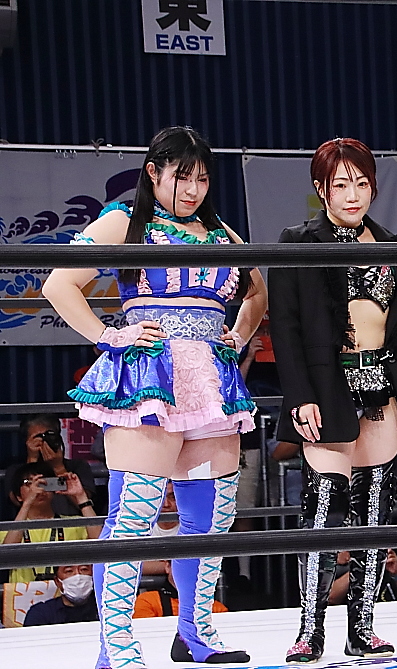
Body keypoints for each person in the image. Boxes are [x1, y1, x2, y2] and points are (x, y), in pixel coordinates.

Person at [42, 126, 267, 666]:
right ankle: (116, 648)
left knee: (211, 518)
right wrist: (109, 335)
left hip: (211, 384)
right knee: (134, 517)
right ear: (153, 172)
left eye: (202, 179)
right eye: (182, 177)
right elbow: (58, 284)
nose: (192, 189)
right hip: (150, 378)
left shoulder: (221, 232)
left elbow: (259, 290)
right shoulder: (125, 221)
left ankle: (195, 633)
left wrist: (239, 334)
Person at [269, 137, 397, 660]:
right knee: (321, 512)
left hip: (383, 388)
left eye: (361, 183)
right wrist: (299, 397)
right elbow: (285, 328)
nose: (353, 194)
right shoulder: (298, 242)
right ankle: (309, 631)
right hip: (325, 388)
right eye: (341, 184)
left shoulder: (392, 245)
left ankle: (363, 627)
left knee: (375, 514)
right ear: (322, 189)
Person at [1, 463, 99, 582]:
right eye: (28, 483)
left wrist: (81, 496)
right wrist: (27, 503)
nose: (39, 488)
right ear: (18, 496)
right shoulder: (9, 530)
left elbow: (102, 543)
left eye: (44, 482)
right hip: (22, 592)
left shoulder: (73, 523)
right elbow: (5, 556)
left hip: (65, 592)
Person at [3, 414, 97, 519]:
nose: (44, 441)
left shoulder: (77, 466)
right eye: (37, 437)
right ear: (27, 441)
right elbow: (17, 502)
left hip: (71, 524)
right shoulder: (15, 471)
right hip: (31, 526)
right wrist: (32, 461)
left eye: (49, 436)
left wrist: (58, 467)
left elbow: (83, 503)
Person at [134, 560, 228, 618]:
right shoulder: (147, 601)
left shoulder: (214, 607)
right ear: (168, 567)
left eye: (193, 566)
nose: (186, 571)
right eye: (181, 565)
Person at [22, 564, 98, 626]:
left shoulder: (103, 608)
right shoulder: (40, 613)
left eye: (84, 569)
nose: (78, 576)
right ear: (57, 581)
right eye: (69, 571)